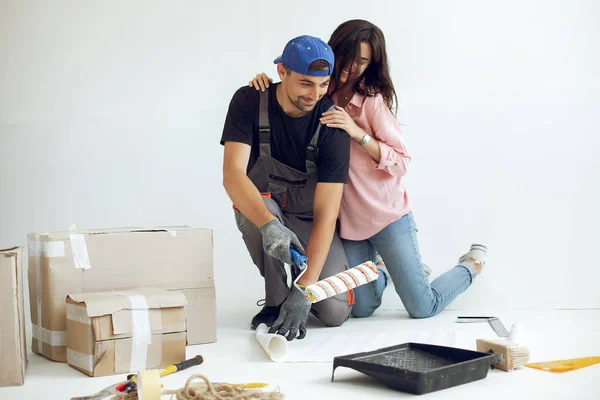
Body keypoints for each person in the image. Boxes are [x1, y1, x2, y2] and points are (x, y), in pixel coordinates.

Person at [248, 20, 487, 320]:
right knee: (360, 308)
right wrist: (264, 84)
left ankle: (471, 265)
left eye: (362, 61)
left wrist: (357, 133)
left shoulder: (371, 102)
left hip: (387, 217)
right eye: (347, 57)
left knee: (422, 306)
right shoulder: (321, 93)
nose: (352, 67)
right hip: (349, 225)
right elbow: (292, 89)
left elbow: (402, 162)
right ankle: (385, 271)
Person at [221, 35, 355, 341]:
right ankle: (275, 299)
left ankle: (374, 274)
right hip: (268, 213)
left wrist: (306, 288)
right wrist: (269, 226)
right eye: (306, 84)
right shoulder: (250, 101)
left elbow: (326, 213)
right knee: (262, 209)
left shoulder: (331, 124)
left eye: (323, 85)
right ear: (282, 72)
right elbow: (232, 175)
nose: (315, 95)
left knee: (334, 314)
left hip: (310, 220)